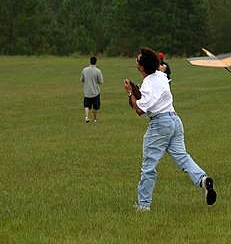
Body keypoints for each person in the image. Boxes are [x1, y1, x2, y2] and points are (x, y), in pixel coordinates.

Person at [124, 46, 216, 211]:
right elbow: (148, 93)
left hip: (160, 124)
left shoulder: (149, 83)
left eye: (137, 60)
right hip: (175, 120)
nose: (136, 61)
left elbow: (139, 109)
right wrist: (137, 90)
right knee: (183, 157)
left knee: (149, 166)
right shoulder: (161, 75)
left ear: (141, 67)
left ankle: (144, 205)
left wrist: (130, 93)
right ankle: (203, 180)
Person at [80, 56, 103, 123]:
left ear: (90, 61)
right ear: (96, 62)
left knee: (87, 105)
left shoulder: (85, 70)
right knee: (95, 106)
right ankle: (95, 119)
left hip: (87, 91)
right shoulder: (98, 71)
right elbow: (101, 81)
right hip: (95, 91)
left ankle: (87, 117)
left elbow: (82, 79)